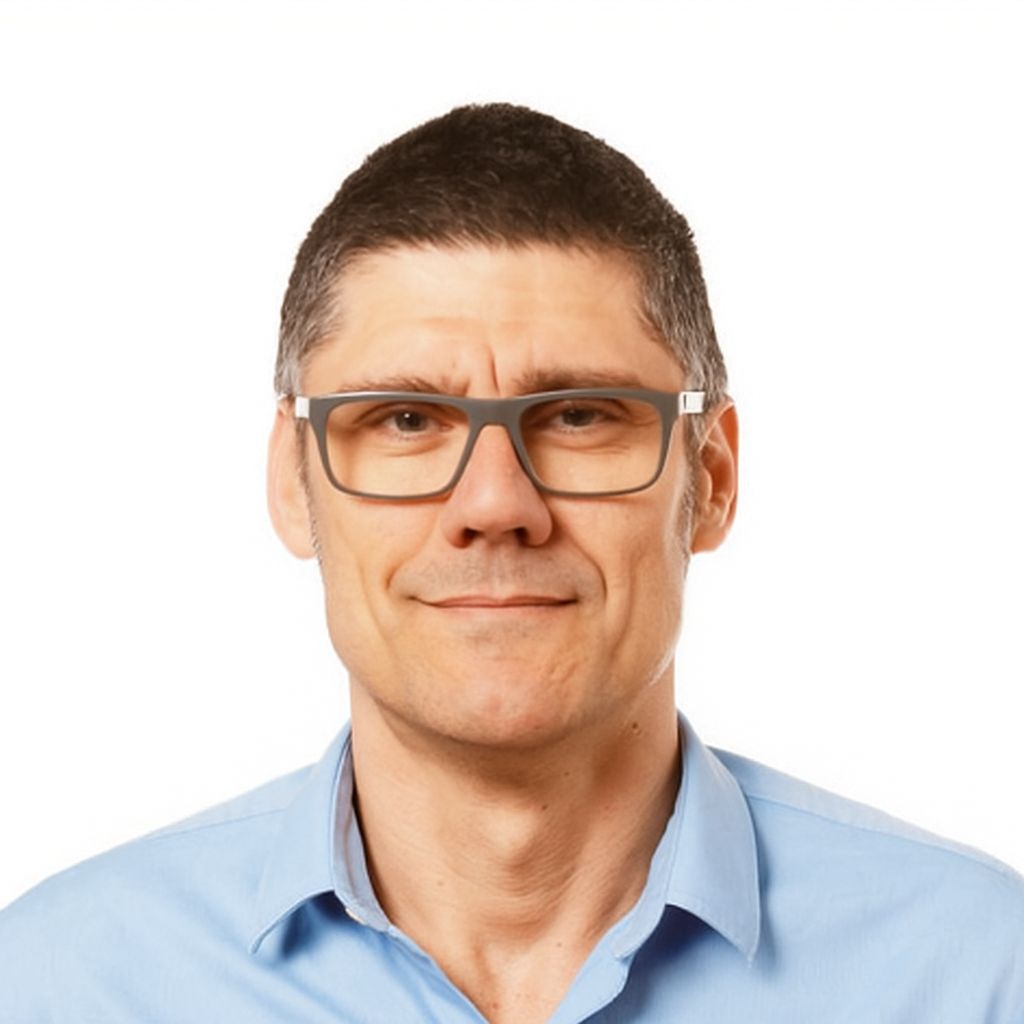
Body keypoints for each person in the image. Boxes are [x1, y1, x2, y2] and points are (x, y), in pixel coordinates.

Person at [1, 102, 1021, 1024]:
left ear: (710, 479)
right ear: (292, 481)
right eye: (405, 419)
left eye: (579, 415)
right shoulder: (60, 987)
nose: (494, 505)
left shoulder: (982, 974)